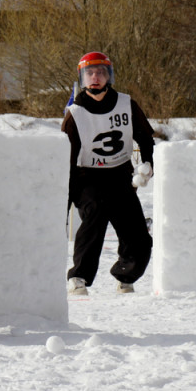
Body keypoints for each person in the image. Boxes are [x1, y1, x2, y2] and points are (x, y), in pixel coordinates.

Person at [62, 52, 155, 295]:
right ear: (82, 78)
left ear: (109, 76)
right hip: (87, 179)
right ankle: (79, 276)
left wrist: (148, 163)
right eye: (90, 73)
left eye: (100, 72)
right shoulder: (75, 114)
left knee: (139, 236)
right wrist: (66, 199)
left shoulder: (127, 104)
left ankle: (126, 275)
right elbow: (67, 158)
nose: (95, 77)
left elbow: (145, 137)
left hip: (120, 177)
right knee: (96, 212)